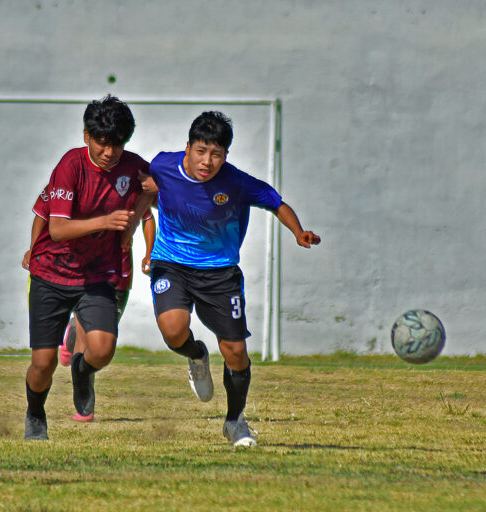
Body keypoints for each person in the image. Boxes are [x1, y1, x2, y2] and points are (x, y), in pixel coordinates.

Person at [133, 111, 320, 447]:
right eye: (201, 151)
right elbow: (146, 184)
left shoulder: (235, 182)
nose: (207, 161)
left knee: (235, 351)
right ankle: (195, 354)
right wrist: (137, 223)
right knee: (174, 330)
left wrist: (298, 231)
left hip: (220, 273)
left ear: (225, 155)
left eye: (216, 154)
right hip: (171, 263)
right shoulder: (163, 165)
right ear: (187, 147)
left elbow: (276, 202)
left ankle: (235, 423)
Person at [24, 95, 154, 438]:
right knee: (43, 363)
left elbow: (157, 191)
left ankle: (82, 373)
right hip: (51, 274)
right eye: (102, 142)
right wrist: (107, 221)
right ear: (86, 136)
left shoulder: (133, 166)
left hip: (98, 275)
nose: (109, 152)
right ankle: (35, 414)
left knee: (102, 350)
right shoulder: (70, 165)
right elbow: (57, 227)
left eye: (118, 144)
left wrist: (138, 212)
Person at [22, 189, 156, 389]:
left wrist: (149, 252)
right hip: (71, 272)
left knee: (102, 340)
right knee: (50, 356)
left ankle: (75, 346)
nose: (108, 156)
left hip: (116, 270)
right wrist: (33, 249)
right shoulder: (66, 179)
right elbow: (42, 214)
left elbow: (147, 216)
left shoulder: (126, 184)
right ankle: (82, 407)